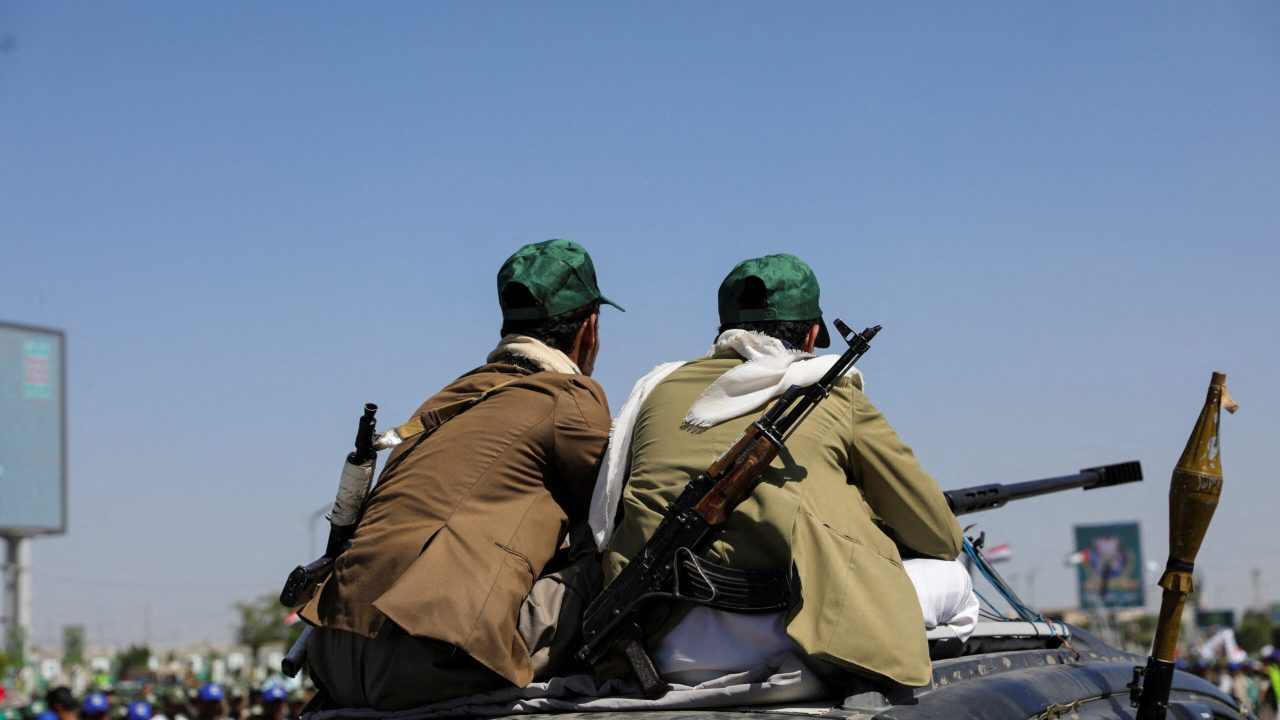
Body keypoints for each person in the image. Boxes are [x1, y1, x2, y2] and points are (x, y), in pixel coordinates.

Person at [598, 253, 966, 689]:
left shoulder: (654, 392)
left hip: (663, 646)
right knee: (955, 581)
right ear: (811, 336)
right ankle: (891, 677)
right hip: (803, 641)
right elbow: (939, 538)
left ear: (724, 332)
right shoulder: (835, 393)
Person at [299, 239, 621, 709]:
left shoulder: (442, 403)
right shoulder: (570, 397)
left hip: (332, 654)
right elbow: (613, 515)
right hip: (433, 657)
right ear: (589, 330)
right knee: (628, 553)